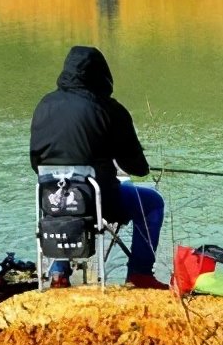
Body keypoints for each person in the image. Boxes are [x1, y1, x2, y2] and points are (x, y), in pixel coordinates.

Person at [30, 45, 170, 289]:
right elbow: (137, 167)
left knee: (65, 202)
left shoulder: (44, 105)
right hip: (98, 202)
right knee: (152, 202)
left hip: (50, 201)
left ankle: (58, 273)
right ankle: (140, 273)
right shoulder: (108, 109)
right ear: (102, 75)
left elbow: (36, 161)